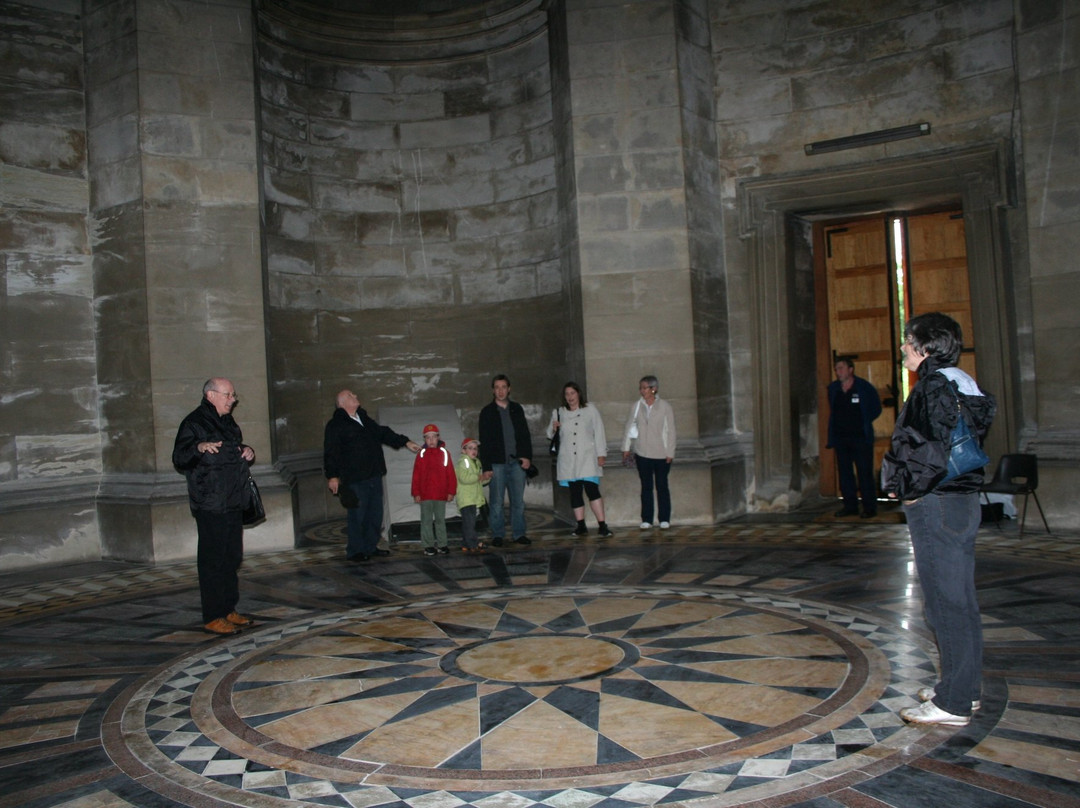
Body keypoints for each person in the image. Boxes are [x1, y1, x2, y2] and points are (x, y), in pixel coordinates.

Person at [882, 312, 996, 727]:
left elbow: (927, 449)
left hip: (938, 500)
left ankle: (952, 702)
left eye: (908, 341)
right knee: (960, 599)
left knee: (944, 603)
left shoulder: (932, 386)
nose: (903, 348)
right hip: (963, 500)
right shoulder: (962, 380)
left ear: (926, 346)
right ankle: (964, 687)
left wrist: (908, 491)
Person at [172, 378, 257, 636]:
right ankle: (212, 615)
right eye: (228, 394)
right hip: (210, 502)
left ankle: (228, 608)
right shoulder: (194, 422)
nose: (233, 399)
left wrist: (247, 450)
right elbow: (179, 457)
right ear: (211, 395)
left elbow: (232, 450)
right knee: (213, 560)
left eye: (233, 394)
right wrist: (198, 447)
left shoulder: (228, 422)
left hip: (232, 499)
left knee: (232, 557)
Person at [323, 390, 420, 562]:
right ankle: (356, 551)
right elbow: (331, 451)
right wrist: (333, 476)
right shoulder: (336, 425)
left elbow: (382, 432)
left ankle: (370, 546)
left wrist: (405, 442)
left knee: (375, 514)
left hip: (374, 474)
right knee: (358, 516)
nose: (356, 396)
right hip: (355, 479)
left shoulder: (363, 418)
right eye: (352, 395)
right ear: (344, 402)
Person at [547, 381, 612, 537]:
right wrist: (554, 428)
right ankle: (580, 525)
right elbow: (550, 434)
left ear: (578, 394)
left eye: (572, 393)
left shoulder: (590, 410)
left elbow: (599, 431)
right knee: (575, 492)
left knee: (592, 490)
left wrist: (601, 454)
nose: (570, 397)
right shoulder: (559, 412)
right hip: (569, 459)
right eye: (567, 394)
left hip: (588, 457)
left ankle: (602, 525)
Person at [478, 374, 533, 546]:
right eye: (497, 387)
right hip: (497, 463)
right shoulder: (487, 412)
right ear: (493, 390)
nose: (500, 390)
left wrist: (527, 457)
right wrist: (486, 466)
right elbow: (484, 441)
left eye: (503, 387)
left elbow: (524, 435)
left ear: (509, 389)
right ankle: (498, 534)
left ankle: (519, 533)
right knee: (496, 503)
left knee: (518, 501)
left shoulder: (517, 409)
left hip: (516, 462)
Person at [826, 358, 882, 518]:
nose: (838, 372)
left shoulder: (863, 387)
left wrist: (862, 420)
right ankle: (850, 505)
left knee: (864, 473)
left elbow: (875, 408)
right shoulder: (834, 388)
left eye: (841, 368)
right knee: (845, 473)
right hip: (841, 438)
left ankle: (869, 507)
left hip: (860, 438)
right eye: (836, 369)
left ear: (851, 369)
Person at [621, 375, 676, 529]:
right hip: (642, 453)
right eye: (641, 388)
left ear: (654, 389)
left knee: (662, 486)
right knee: (646, 487)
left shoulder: (665, 407)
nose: (642, 391)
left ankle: (664, 518)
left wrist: (670, 452)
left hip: (661, 453)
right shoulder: (636, 406)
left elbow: (671, 431)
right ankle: (647, 519)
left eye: (645, 387)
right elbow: (628, 427)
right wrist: (625, 448)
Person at [411, 424, 457, 556]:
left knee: (440, 520)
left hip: (440, 494)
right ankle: (428, 545)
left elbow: (450, 473)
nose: (431, 440)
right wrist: (416, 492)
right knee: (426, 520)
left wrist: (451, 491)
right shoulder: (421, 454)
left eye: (433, 437)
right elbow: (416, 475)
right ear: (424, 439)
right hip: (425, 494)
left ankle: (443, 544)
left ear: (438, 437)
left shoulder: (445, 453)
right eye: (428, 437)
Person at [456, 438, 486, 554]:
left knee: (469, 522)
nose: (473, 451)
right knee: (470, 522)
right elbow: (464, 478)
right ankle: (472, 543)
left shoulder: (476, 462)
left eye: (475, 449)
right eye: (470, 448)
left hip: (472, 497)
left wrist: (484, 478)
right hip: (466, 497)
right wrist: (479, 477)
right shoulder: (464, 462)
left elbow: (476, 481)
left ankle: (466, 543)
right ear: (463, 450)